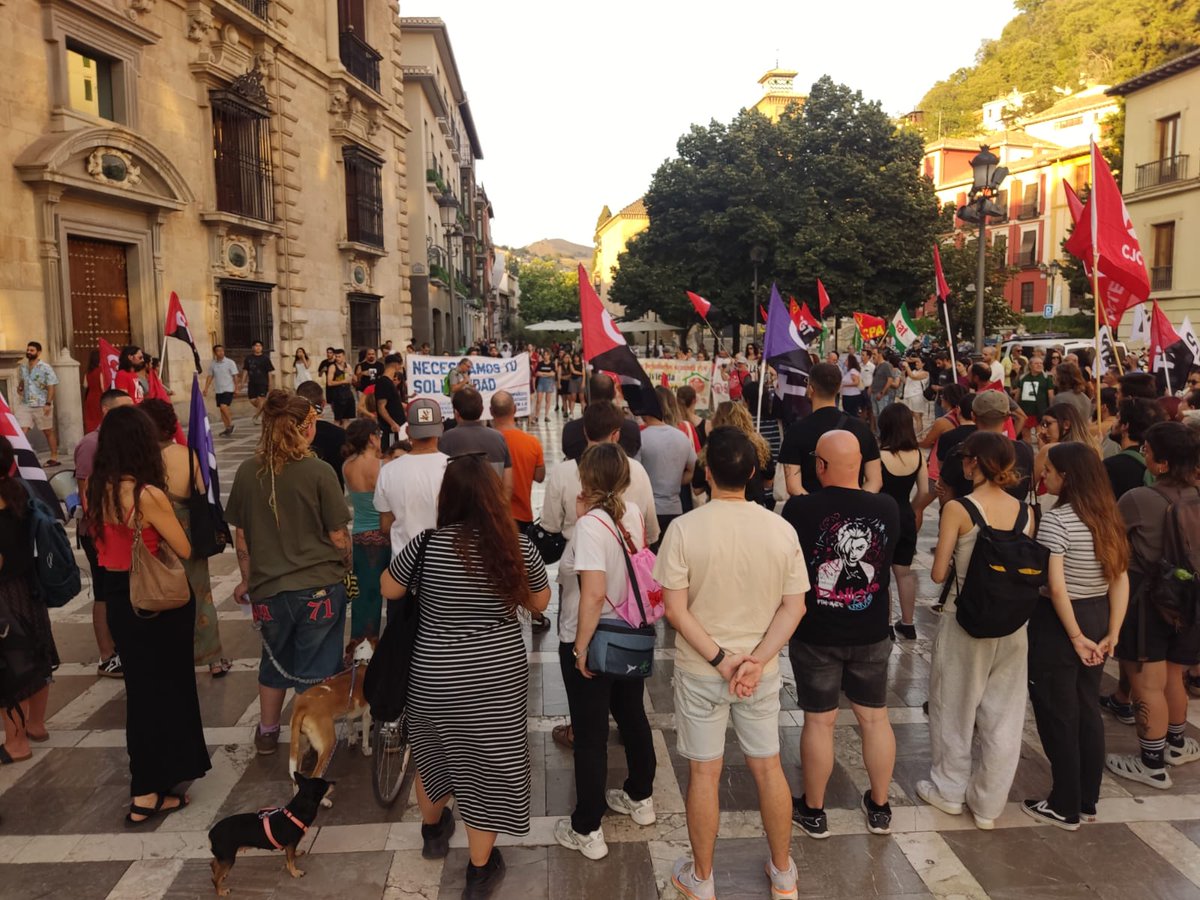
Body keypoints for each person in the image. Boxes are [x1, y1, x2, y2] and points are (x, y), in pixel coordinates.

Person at [380, 454, 551, 899]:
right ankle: (479, 871)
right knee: (486, 769)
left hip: (433, 674)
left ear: (448, 497)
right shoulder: (515, 545)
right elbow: (540, 603)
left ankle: (433, 834)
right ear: (494, 498)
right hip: (495, 680)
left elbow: (388, 588)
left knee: (433, 754)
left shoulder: (425, 545)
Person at [655, 427, 808, 900]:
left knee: (705, 773)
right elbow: (795, 606)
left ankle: (701, 878)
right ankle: (783, 873)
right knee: (769, 769)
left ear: (706, 473)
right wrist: (756, 661)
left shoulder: (684, 528)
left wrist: (723, 661)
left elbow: (675, 610)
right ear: (754, 474)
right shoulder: (780, 529)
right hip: (758, 674)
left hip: (704, 670)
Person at [87, 406, 209, 821]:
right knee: (170, 691)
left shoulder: (97, 490)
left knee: (141, 694)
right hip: (157, 600)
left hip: (121, 598)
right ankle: (149, 790)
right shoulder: (146, 495)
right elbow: (186, 548)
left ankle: (149, 784)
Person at [782, 431, 899, 838]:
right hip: (870, 631)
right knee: (874, 718)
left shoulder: (799, 510)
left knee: (820, 722)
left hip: (816, 631)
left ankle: (814, 811)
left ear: (821, 466)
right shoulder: (887, 508)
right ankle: (880, 806)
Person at [224, 391, 351, 755]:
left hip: (268, 589)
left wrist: (247, 579)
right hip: (318, 588)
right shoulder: (319, 472)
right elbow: (338, 534)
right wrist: (347, 564)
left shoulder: (250, 471)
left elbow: (242, 533)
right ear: (307, 428)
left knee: (274, 659)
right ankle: (310, 740)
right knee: (317, 664)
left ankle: (267, 731)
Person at [919, 432, 1035, 830]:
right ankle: (988, 804)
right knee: (1004, 715)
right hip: (1013, 624)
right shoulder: (1025, 511)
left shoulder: (959, 509)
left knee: (954, 705)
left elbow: (937, 573)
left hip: (964, 619)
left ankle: (949, 789)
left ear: (973, 463)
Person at [554, 443, 656, 860]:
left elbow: (593, 594)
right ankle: (641, 796)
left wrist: (580, 649)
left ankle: (588, 826)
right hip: (629, 632)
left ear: (586, 478)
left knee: (591, 733)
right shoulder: (628, 513)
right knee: (631, 713)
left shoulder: (592, 526)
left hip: (594, 638)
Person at [1023, 442, 1129, 829]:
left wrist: (1073, 636)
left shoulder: (1058, 520)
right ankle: (1087, 798)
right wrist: (1112, 631)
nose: (1043, 475)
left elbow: (1056, 585)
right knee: (1086, 709)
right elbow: (1120, 577)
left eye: (1049, 469)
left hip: (1060, 622)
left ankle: (1064, 803)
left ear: (1067, 476)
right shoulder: (1108, 516)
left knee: (1057, 712)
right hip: (1098, 614)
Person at [1106, 422, 1200, 789]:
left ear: (1160, 463)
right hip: (1190, 601)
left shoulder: (1137, 500)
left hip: (1148, 601)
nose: (1143, 454)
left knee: (1147, 684)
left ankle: (1151, 762)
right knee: (1174, 674)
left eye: (1146, 450)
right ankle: (1176, 743)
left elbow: (1111, 543)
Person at [140, 399, 230, 678]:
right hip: (187, 532)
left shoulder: (139, 459)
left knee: (156, 593)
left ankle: (165, 655)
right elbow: (202, 492)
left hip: (152, 534)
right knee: (200, 595)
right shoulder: (188, 455)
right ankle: (212, 657)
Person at [0, 436, 58, 764]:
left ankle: (16, 743)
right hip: (29, 589)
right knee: (36, 658)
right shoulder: (20, 492)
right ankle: (36, 724)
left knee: (12, 669)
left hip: (5, 598)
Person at [76, 388, 134, 677]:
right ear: (108, 411)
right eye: (126, 409)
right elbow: (86, 495)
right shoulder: (91, 444)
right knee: (103, 592)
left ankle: (125, 646)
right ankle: (107, 655)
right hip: (99, 533)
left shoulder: (124, 443)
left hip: (122, 530)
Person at [780, 362, 883, 496]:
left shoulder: (796, 431)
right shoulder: (861, 428)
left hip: (811, 512)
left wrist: (817, 508)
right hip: (853, 511)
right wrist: (856, 505)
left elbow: (793, 486)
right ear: (839, 388)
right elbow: (875, 480)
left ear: (811, 389)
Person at [877, 404, 929, 639]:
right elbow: (924, 490)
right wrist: (914, 507)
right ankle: (908, 623)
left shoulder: (879, 455)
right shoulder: (918, 455)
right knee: (904, 572)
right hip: (906, 513)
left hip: (883, 516)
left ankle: (886, 624)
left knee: (883, 573)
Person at [375, 398, 449, 555]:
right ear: (441, 428)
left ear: (407, 431)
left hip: (403, 563)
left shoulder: (388, 471)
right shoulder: (454, 467)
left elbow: (385, 525)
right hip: (444, 562)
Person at [340, 418, 389, 640]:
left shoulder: (347, 466)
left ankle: (361, 649)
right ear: (371, 438)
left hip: (360, 535)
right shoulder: (383, 466)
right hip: (384, 535)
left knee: (365, 598)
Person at [639, 385, 696, 544]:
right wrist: (676, 480)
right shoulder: (681, 438)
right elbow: (692, 469)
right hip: (674, 508)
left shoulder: (641, 438)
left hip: (648, 510)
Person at [692, 401, 774, 506]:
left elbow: (697, 489)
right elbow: (768, 483)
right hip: (753, 506)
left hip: (718, 508)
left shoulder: (710, 448)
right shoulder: (759, 446)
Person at [438, 389, 513, 495]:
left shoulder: (446, 440)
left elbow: (440, 483)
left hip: (458, 509)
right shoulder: (499, 438)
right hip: (492, 507)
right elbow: (508, 485)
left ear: (456, 413)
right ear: (482, 410)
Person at [491, 391, 544, 530]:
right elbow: (540, 477)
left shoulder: (484, 443)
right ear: (514, 409)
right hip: (522, 517)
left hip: (492, 516)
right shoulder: (532, 443)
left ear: (491, 411)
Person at [562, 374, 641, 462]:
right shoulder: (632, 429)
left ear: (587, 394)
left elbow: (569, 453)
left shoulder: (570, 430)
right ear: (614, 394)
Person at [1104, 399, 1166, 500]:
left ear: (1125, 426)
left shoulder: (1110, 466)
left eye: (1117, 417)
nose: (1113, 423)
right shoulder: (1159, 461)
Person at [296, 381, 348, 489]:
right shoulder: (340, 434)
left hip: (300, 493)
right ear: (323, 403)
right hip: (333, 489)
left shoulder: (290, 433)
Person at [16, 341, 60, 467]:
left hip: (42, 404)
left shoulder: (46, 368)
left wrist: (48, 403)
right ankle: (22, 458)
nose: (29, 352)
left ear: (38, 352)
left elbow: (51, 387)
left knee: (48, 431)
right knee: (20, 430)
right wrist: (20, 387)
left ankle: (54, 457)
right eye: (28, 350)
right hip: (25, 404)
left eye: (32, 350)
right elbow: (23, 382)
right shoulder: (23, 367)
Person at [204, 344, 241, 436]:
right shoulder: (213, 363)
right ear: (215, 352)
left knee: (223, 406)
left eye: (222, 350)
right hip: (218, 389)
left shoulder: (230, 362)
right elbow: (210, 376)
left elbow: (235, 375)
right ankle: (227, 427)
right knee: (221, 409)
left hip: (228, 388)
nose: (220, 352)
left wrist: (236, 388)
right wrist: (206, 388)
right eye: (218, 351)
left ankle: (231, 424)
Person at [1017, 355, 1055, 442]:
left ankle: (1041, 454)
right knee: (1025, 434)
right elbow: (1018, 394)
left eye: (1041, 363)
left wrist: (1051, 409)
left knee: (1040, 435)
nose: (1039, 365)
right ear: (1030, 365)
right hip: (1025, 410)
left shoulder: (1046, 378)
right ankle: (1028, 453)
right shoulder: (1023, 378)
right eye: (1036, 363)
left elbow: (1050, 395)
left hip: (1040, 411)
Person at [373, 354, 406, 453]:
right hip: (390, 428)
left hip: (397, 427)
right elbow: (381, 407)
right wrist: (392, 423)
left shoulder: (389, 382)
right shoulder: (384, 382)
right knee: (391, 452)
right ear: (396, 365)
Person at [240, 340, 275, 423]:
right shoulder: (248, 358)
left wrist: (270, 383)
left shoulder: (265, 359)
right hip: (252, 383)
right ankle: (266, 409)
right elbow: (245, 370)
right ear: (253, 347)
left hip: (263, 382)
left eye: (260, 346)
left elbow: (269, 372)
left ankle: (257, 417)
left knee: (261, 399)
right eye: (256, 346)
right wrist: (242, 381)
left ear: (262, 348)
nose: (258, 347)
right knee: (252, 400)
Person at [324, 348, 355, 426]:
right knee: (337, 419)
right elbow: (329, 382)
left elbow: (351, 380)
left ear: (344, 356)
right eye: (336, 356)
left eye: (339, 356)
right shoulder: (332, 367)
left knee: (347, 419)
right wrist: (343, 381)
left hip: (348, 394)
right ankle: (336, 435)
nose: (337, 358)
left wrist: (350, 374)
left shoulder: (348, 366)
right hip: (338, 395)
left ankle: (346, 436)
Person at [899, 355, 929, 433]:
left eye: (918, 362)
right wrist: (903, 371)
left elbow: (913, 377)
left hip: (916, 396)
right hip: (908, 396)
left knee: (917, 416)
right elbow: (905, 381)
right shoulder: (913, 371)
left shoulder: (925, 373)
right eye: (916, 362)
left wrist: (907, 366)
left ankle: (919, 435)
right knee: (908, 416)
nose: (916, 364)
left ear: (923, 364)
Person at [869, 347, 898, 424]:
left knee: (882, 416)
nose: (873, 356)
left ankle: (883, 434)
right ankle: (879, 434)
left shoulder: (886, 365)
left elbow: (890, 379)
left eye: (874, 354)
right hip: (874, 393)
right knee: (876, 416)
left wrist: (882, 392)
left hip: (881, 395)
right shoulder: (877, 366)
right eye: (872, 354)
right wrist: (871, 387)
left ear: (880, 354)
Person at [83, 350, 103, 434]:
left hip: (90, 397)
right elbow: (103, 387)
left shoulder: (88, 372)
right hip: (100, 397)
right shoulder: (101, 370)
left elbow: (85, 385)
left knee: (91, 419)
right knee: (100, 418)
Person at [841, 353, 866, 419]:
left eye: (846, 360)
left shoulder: (853, 371)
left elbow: (856, 382)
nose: (845, 362)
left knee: (851, 413)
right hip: (849, 395)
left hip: (851, 396)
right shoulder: (850, 371)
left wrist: (844, 384)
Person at [533, 353, 556, 422]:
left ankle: (546, 416)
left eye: (547, 354)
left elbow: (553, 374)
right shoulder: (540, 363)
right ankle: (536, 416)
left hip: (549, 382)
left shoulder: (552, 364)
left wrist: (542, 373)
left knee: (548, 400)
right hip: (541, 382)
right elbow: (536, 373)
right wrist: (547, 374)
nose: (545, 356)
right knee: (538, 400)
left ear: (549, 355)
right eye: (545, 355)